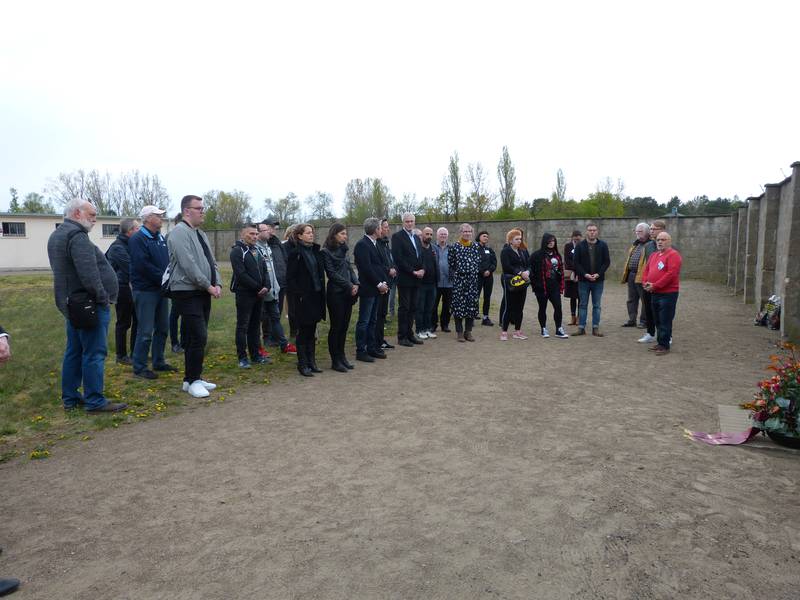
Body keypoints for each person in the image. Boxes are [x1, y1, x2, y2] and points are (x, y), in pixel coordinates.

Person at [47, 199, 126, 413]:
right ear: (77, 213)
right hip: (88, 306)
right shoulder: (77, 236)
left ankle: (71, 398)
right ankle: (94, 401)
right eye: (91, 214)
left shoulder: (57, 235)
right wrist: (102, 298)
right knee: (94, 353)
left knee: (74, 351)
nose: (94, 218)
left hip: (73, 305)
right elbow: (89, 275)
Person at [166, 195, 222, 398]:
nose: (202, 211)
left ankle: (191, 379)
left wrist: (217, 283)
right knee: (197, 336)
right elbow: (188, 265)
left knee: (195, 336)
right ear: (186, 211)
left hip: (202, 291)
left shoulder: (200, 234)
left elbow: (211, 260)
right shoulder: (178, 233)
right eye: (199, 208)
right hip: (186, 292)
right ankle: (193, 379)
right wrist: (208, 286)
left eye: (202, 208)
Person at [129, 205, 175, 379]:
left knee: (163, 328)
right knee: (146, 331)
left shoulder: (160, 237)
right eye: (158, 215)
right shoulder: (138, 239)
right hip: (145, 290)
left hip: (160, 290)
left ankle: (158, 361)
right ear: (147, 218)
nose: (161, 218)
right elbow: (142, 265)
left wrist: (167, 277)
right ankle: (139, 367)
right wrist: (164, 277)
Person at [286, 224, 326, 376]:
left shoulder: (315, 251)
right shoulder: (295, 253)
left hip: (316, 296)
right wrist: (300, 295)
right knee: (303, 332)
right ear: (299, 236)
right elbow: (290, 279)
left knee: (312, 330)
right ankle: (302, 364)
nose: (311, 235)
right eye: (308, 232)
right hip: (303, 299)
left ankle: (312, 362)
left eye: (312, 232)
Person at [230, 223, 270, 368]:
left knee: (254, 326)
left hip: (259, 294)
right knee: (243, 326)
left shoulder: (257, 250)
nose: (254, 236)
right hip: (245, 294)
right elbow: (241, 274)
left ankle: (256, 355)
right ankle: (242, 357)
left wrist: (266, 286)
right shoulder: (237, 251)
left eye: (255, 234)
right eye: (250, 234)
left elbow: (265, 270)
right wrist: (258, 287)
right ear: (242, 234)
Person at [321, 223, 360, 372]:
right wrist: (349, 285)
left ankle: (342, 356)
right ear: (335, 234)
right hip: (336, 294)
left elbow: (349, 268)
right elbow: (332, 274)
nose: (345, 236)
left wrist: (356, 282)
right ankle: (335, 360)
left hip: (348, 293)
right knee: (336, 327)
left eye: (345, 234)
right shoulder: (325, 252)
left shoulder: (344, 249)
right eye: (342, 233)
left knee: (344, 326)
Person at [256, 221, 296, 357]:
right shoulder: (260, 245)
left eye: (274, 228)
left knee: (276, 313)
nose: (273, 230)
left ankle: (278, 340)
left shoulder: (275, 242)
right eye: (271, 227)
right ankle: (266, 338)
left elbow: (283, 259)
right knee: (264, 314)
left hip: (279, 281)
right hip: (266, 285)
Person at [353, 217, 390, 363]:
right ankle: (361, 350)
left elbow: (379, 266)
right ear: (376, 230)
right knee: (364, 321)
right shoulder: (362, 245)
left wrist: (383, 283)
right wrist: (378, 284)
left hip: (376, 288)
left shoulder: (375, 243)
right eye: (381, 228)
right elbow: (366, 269)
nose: (382, 230)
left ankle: (371, 347)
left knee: (373, 320)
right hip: (369, 289)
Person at [105, 217, 140, 365]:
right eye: (137, 228)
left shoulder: (132, 244)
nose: (140, 231)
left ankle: (135, 353)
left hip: (134, 287)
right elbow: (131, 267)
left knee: (137, 321)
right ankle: (121, 355)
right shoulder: (117, 247)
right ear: (130, 231)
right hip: (123, 288)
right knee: (124, 322)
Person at [643, 231, 682, 355]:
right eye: (658, 239)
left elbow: (671, 274)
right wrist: (645, 282)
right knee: (657, 319)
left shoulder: (674, 255)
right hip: (654, 292)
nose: (660, 242)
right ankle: (660, 342)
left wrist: (655, 285)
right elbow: (646, 270)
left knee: (665, 319)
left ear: (669, 241)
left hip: (668, 293)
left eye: (663, 239)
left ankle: (665, 346)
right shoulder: (654, 255)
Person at [391, 212, 425, 346]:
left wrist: (422, 269)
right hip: (406, 278)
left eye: (412, 221)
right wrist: (413, 271)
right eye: (407, 221)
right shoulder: (397, 237)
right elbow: (398, 259)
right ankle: (402, 336)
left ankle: (410, 334)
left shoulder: (416, 238)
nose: (410, 223)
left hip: (417, 278)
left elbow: (420, 255)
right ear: (403, 223)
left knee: (413, 307)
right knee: (404, 307)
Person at [573, 223, 611, 336]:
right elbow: (576, 263)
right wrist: (585, 274)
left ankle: (595, 328)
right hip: (583, 280)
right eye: (590, 230)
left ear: (597, 231)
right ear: (586, 232)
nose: (592, 232)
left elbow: (606, 262)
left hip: (598, 281)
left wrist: (598, 274)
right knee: (583, 304)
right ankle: (581, 328)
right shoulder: (580, 245)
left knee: (597, 305)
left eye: (594, 230)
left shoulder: (603, 245)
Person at [530, 233, 568, 339]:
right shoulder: (536, 255)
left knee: (558, 307)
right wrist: (535, 284)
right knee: (542, 308)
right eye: (549, 241)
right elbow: (530, 270)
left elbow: (560, 270)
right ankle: (543, 328)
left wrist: (560, 281)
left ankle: (559, 329)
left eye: (553, 241)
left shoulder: (557, 255)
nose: (552, 243)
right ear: (545, 241)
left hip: (554, 286)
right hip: (541, 287)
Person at [447, 223, 481, 342]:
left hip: (472, 281)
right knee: (458, 306)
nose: (467, 233)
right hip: (459, 281)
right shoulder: (454, 247)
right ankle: (460, 332)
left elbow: (478, 262)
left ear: (472, 233)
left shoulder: (476, 246)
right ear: (460, 233)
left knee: (471, 306)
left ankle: (468, 332)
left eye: (469, 231)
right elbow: (451, 263)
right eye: (465, 231)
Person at [499, 228, 530, 340]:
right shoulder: (505, 251)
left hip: (522, 283)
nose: (519, 241)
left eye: (520, 239)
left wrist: (527, 271)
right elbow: (506, 266)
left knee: (520, 307)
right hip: (510, 282)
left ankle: (518, 331)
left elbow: (528, 263)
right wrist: (520, 273)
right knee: (509, 307)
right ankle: (504, 332)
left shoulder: (522, 251)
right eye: (516, 239)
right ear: (510, 240)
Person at [638, 220, 664, 344]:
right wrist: (644, 281)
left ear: (662, 230)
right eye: (651, 229)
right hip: (648, 284)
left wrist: (658, 283)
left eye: (654, 229)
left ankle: (665, 335)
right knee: (648, 309)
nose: (651, 231)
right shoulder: (648, 246)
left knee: (662, 312)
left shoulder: (670, 246)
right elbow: (647, 266)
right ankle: (650, 333)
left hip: (662, 286)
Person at [620, 223, 651, 328]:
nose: (637, 233)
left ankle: (644, 321)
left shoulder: (651, 245)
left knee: (644, 300)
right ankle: (632, 320)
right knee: (631, 299)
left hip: (643, 276)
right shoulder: (635, 244)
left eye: (640, 231)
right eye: (636, 231)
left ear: (647, 232)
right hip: (631, 275)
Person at [375, 218, 397, 350]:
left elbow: (390, 259)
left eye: (387, 226)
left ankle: (381, 339)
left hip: (388, 282)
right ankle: (375, 341)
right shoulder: (376, 244)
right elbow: (378, 264)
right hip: (379, 283)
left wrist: (393, 268)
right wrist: (388, 270)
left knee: (383, 314)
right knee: (377, 314)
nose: (387, 229)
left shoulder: (385, 243)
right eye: (385, 227)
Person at [415, 226, 438, 339]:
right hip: (421, 284)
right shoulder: (418, 249)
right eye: (427, 234)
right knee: (420, 308)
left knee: (430, 308)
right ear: (422, 235)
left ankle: (428, 329)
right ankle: (419, 330)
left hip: (432, 284)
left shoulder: (433, 249)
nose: (429, 236)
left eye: (431, 234)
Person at [168, 213, 185, 353]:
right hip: (176, 281)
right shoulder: (172, 236)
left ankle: (184, 341)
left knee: (186, 314)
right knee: (175, 313)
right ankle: (174, 342)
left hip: (187, 282)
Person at [431, 227, 452, 333]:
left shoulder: (451, 248)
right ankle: (433, 324)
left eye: (445, 234)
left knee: (447, 305)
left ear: (447, 236)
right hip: (436, 282)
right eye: (441, 234)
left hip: (449, 282)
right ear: (437, 236)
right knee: (433, 305)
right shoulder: (432, 247)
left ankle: (445, 324)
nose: (443, 236)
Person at [477, 231, 497, 326]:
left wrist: (489, 270)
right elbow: (473, 262)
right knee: (475, 297)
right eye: (484, 236)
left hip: (489, 277)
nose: (486, 238)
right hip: (478, 276)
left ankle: (485, 317)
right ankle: (472, 316)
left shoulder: (489, 249)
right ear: (479, 237)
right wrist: (482, 271)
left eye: (487, 237)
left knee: (487, 297)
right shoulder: (474, 249)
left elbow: (494, 262)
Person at [563, 230, 582, 326]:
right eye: (575, 236)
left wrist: (579, 272)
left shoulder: (583, 245)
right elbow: (567, 260)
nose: (577, 238)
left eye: (579, 237)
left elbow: (583, 260)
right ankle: (572, 317)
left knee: (580, 297)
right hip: (570, 275)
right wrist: (574, 271)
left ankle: (579, 317)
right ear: (572, 237)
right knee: (572, 297)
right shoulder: (568, 246)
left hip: (581, 275)